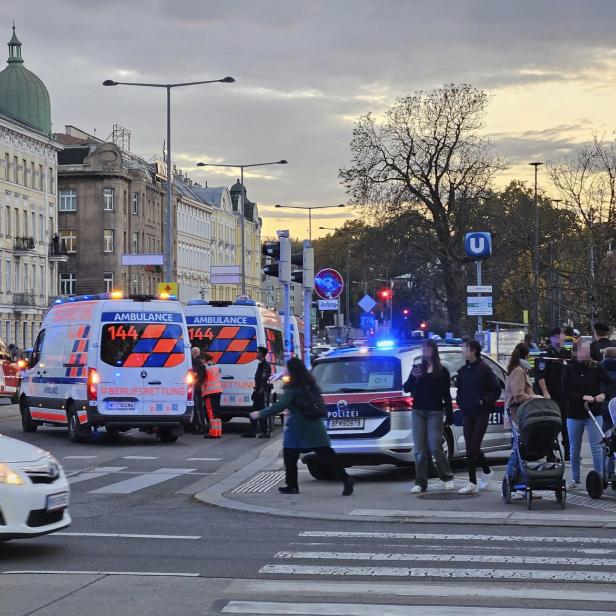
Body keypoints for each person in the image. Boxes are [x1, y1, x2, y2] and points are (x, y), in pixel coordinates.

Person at [249, 357, 354, 496]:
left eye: (287, 368)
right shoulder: (311, 385)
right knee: (327, 455)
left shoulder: (294, 388)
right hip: (315, 425)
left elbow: (280, 405)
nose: (285, 370)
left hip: (298, 427)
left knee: (290, 456)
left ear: (292, 370)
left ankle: (292, 486)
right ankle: (346, 478)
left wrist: (260, 413)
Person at [403, 339, 455, 493]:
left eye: (427, 349)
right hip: (418, 411)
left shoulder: (442, 371)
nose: (425, 352)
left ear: (433, 350)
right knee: (419, 449)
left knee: (435, 446)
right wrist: (413, 377)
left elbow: (446, 395)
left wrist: (449, 415)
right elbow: (406, 388)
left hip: (435, 412)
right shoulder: (418, 368)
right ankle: (420, 482)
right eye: (423, 349)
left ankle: (447, 477)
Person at [561, 340, 613, 490]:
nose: (585, 354)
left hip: (594, 412)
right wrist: (582, 397)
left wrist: (603, 394)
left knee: (597, 446)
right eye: (582, 351)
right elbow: (565, 391)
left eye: (587, 351)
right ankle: (575, 479)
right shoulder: (569, 369)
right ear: (576, 352)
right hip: (575, 413)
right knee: (574, 447)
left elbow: (610, 383)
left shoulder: (596, 367)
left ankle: (599, 478)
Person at [456, 339, 501, 494]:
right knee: (470, 446)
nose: (462, 351)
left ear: (473, 350)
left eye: (464, 348)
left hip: (481, 412)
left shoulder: (484, 369)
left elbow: (496, 390)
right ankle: (479, 477)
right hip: (467, 412)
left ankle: (475, 480)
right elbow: (459, 389)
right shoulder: (463, 370)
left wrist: (484, 400)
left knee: (474, 446)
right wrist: (460, 401)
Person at [504, 343, 543, 498]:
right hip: (518, 416)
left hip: (520, 416)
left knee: (520, 451)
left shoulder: (518, 370)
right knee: (518, 451)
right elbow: (518, 395)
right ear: (526, 356)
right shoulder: (519, 371)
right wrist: (535, 397)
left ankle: (521, 486)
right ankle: (509, 483)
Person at [536, 327, 571, 460]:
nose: (560, 339)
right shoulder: (545, 355)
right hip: (551, 394)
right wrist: (545, 392)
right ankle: (550, 453)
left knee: (565, 423)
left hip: (565, 394)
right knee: (551, 423)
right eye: (556, 336)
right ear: (551, 339)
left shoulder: (567, 354)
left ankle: (568, 451)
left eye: (561, 336)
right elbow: (540, 376)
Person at [243, 346, 272, 439]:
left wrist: (259, 393)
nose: (257, 354)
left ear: (262, 354)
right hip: (258, 391)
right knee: (254, 411)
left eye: (258, 352)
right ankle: (252, 431)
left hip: (262, 393)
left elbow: (263, 381)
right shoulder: (261, 364)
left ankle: (265, 432)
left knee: (262, 412)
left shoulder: (265, 366)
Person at [201, 353, 223, 438]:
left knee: (211, 413)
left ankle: (214, 433)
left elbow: (202, 380)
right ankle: (218, 432)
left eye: (202, 360)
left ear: (204, 359)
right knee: (217, 412)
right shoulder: (217, 367)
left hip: (209, 392)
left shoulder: (206, 368)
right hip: (218, 391)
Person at [189, 347, 207, 434]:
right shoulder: (202, 363)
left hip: (194, 388)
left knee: (196, 408)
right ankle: (201, 425)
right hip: (200, 388)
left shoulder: (193, 363)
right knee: (200, 408)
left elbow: (194, 376)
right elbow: (203, 377)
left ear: (193, 353)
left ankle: (197, 426)